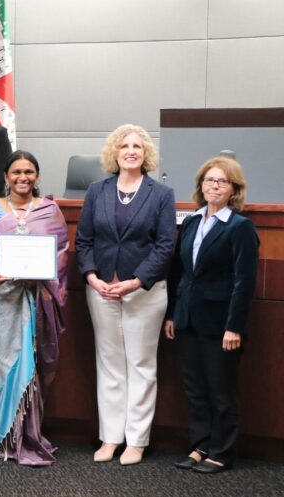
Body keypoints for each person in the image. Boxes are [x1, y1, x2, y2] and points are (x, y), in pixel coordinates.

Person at [75, 124, 176, 466]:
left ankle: (136, 440)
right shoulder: (96, 191)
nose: (131, 150)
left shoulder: (161, 194)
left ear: (145, 153)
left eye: (137, 146)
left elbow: (165, 246)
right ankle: (111, 438)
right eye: (124, 146)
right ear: (114, 153)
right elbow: (84, 240)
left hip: (144, 292)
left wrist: (135, 282)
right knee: (110, 366)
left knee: (141, 365)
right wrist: (91, 277)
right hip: (101, 289)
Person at [0, 151, 69, 466]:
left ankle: (28, 435)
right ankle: (0, 436)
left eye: (28, 172)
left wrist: (44, 279)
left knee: (35, 363)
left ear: (37, 176)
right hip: (1, 299)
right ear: (6, 176)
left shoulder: (51, 211)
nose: (22, 177)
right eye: (16, 172)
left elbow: (63, 256)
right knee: (1, 364)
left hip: (40, 299)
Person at [164, 157, 259, 474]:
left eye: (222, 181)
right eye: (209, 180)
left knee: (221, 391)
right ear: (200, 186)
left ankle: (222, 451)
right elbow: (178, 273)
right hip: (188, 318)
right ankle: (200, 445)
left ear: (234, 189)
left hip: (221, 324)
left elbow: (243, 283)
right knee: (195, 389)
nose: (214, 186)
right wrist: (172, 315)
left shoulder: (240, 227)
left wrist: (235, 326)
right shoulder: (191, 222)